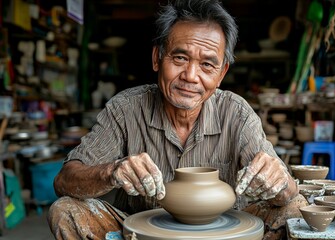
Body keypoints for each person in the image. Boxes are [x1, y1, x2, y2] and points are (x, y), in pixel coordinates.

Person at [47, 0, 307, 239]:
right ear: (157, 58)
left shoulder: (237, 113)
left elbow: (287, 193)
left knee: (296, 208)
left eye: (207, 65)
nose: (191, 76)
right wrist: (112, 171)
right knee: (66, 210)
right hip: (147, 235)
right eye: (180, 58)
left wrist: (280, 181)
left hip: (223, 235)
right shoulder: (125, 109)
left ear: (221, 73)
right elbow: (65, 181)